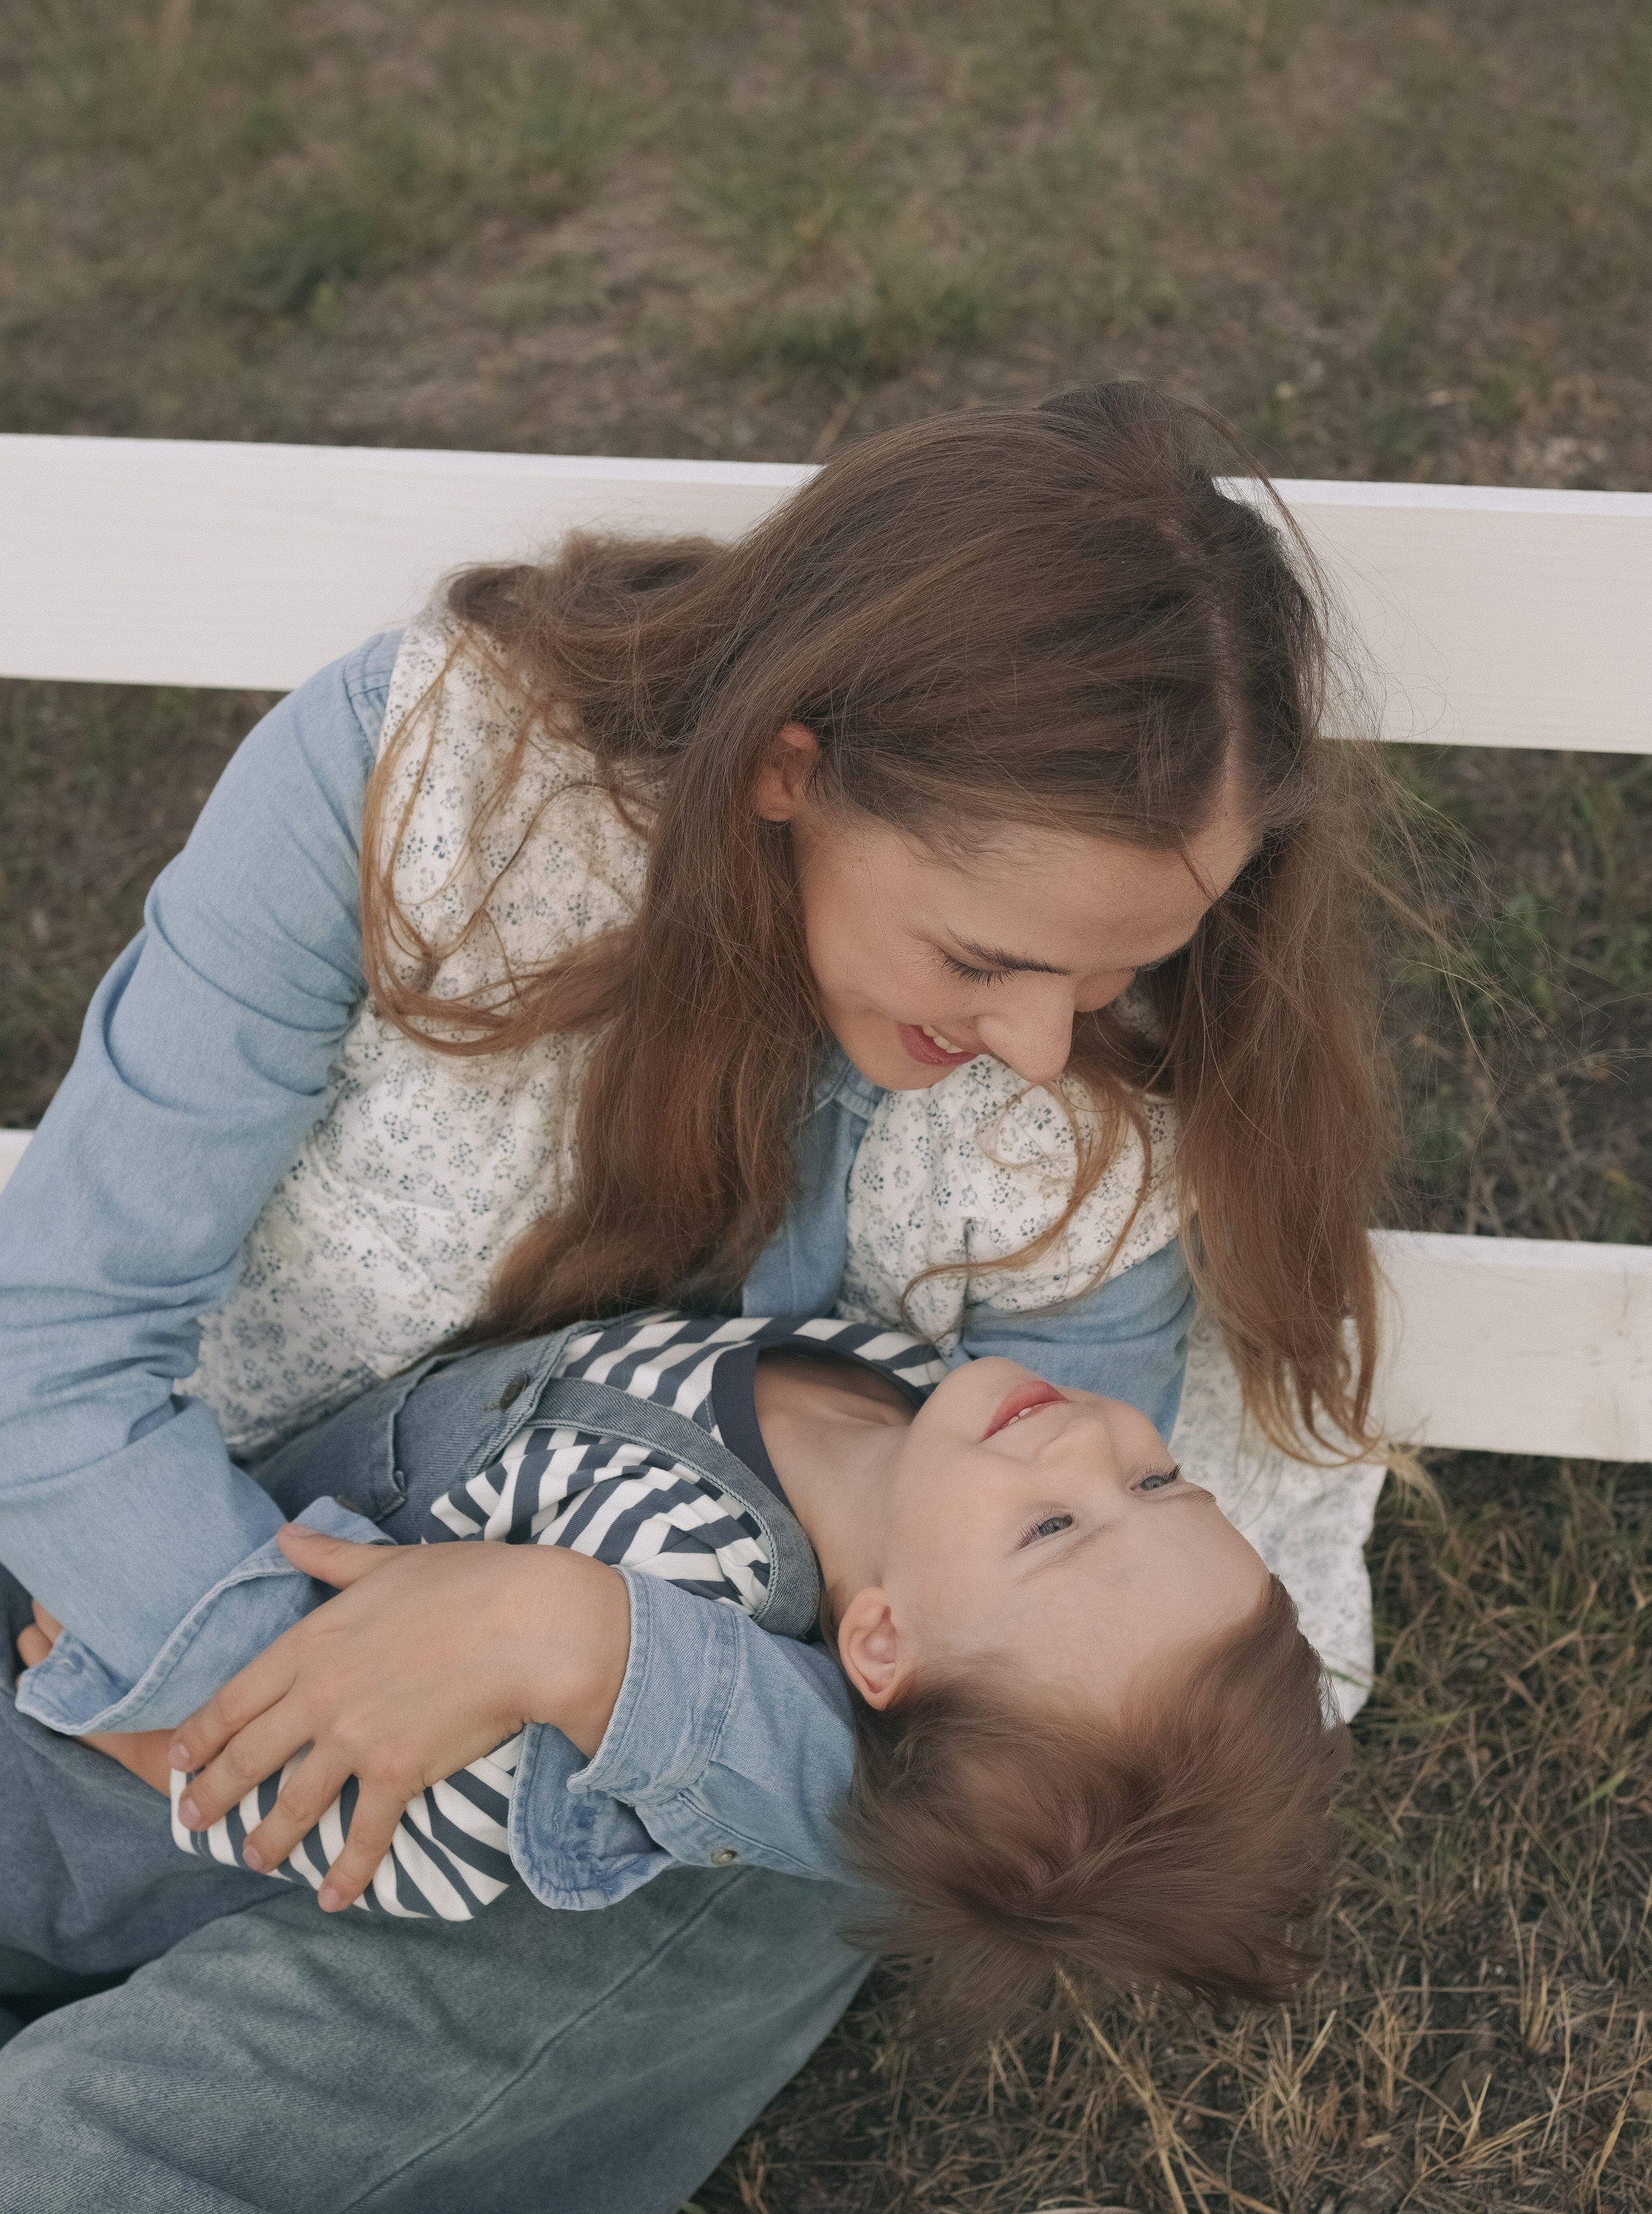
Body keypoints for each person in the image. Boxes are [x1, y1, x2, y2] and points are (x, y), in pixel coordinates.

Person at [0, 383, 1393, 2210]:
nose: (1044, 1046)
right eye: (983, 957)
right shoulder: (429, 798)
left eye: (1124, 966)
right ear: (788, 769)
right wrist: (234, 1686)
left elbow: (1036, 1761)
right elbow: (56, 1347)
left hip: (571, 1820)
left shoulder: (1073, 1134)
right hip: (133, 1583)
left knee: (778, 1866)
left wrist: (586, 1651)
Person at [18, 1303, 1341, 2054]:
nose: (1085, 1446)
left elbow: (404, 1844)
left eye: (1049, 1531)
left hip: (81, 1793)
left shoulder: (682, 1572)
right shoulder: (893, 1392)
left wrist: (152, 1724)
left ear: (877, 1647)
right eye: (1159, 1481)